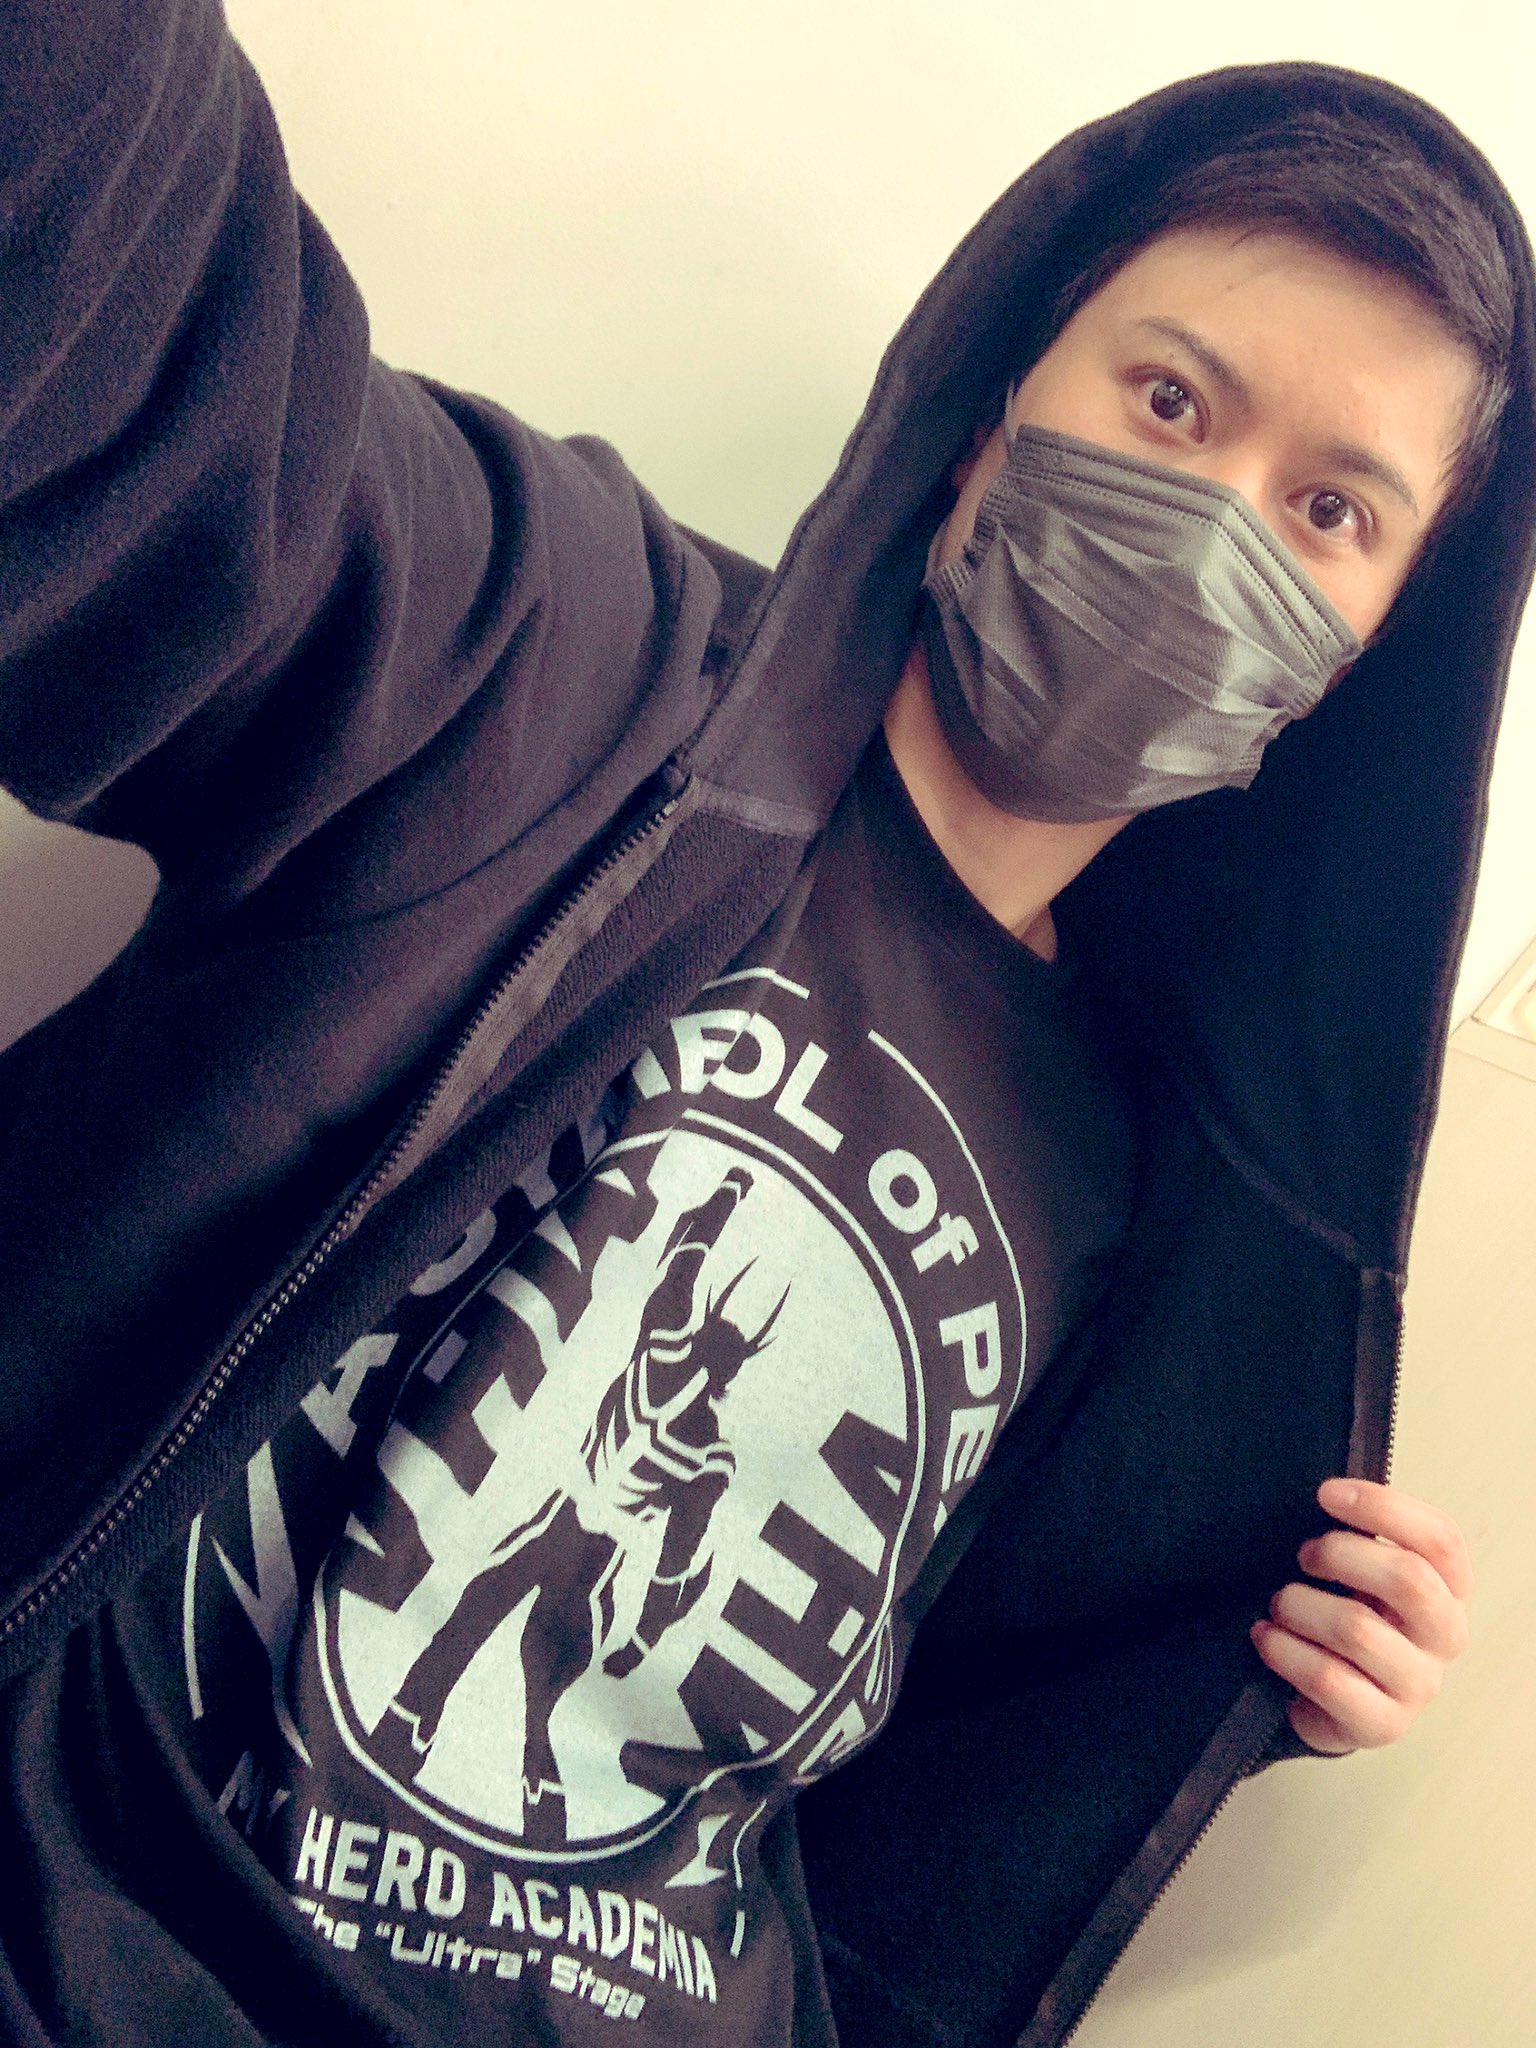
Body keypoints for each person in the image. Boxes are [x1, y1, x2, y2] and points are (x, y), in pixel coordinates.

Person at [0, 9, 1528, 2046]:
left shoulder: (1156, 1195)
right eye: (1171, 398)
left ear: (1364, 657)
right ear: (992, 409)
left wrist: (1228, 1674)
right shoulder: (566, 661)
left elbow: (921, 1778)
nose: (1219, 526)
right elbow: (194, 416)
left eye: (1332, 513)